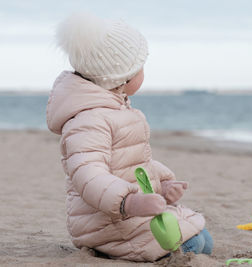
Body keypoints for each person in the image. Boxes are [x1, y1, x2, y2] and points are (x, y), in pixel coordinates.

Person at [46, 13, 213, 262]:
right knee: (196, 243)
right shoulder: (89, 120)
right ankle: (106, 249)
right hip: (106, 223)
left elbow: (131, 165)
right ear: (119, 79)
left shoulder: (116, 110)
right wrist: (129, 202)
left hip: (125, 215)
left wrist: (162, 185)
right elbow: (88, 175)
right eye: (140, 68)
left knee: (203, 239)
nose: (144, 72)